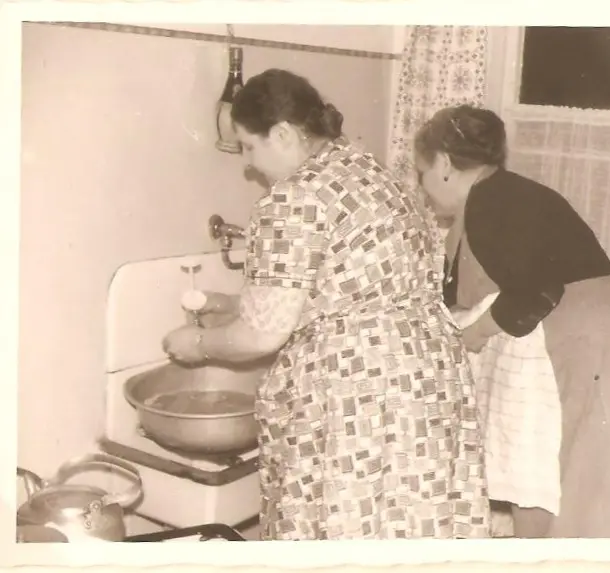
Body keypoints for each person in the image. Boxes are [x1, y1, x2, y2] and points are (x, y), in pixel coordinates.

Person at [161, 70, 491, 541]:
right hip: (425, 377)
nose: (248, 164)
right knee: (409, 525)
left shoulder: (292, 198)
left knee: (346, 530)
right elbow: (345, 291)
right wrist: (231, 305)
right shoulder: (369, 171)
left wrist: (198, 343)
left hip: (358, 390)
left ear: (283, 134)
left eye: (249, 146)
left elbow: (263, 334)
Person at [412, 104, 610, 539]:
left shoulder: (491, 203)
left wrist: (476, 333)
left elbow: (536, 289)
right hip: (602, 338)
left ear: (444, 164)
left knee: (607, 502)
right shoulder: (498, 196)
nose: (421, 187)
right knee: (584, 494)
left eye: (421, 172)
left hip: (601, 348)